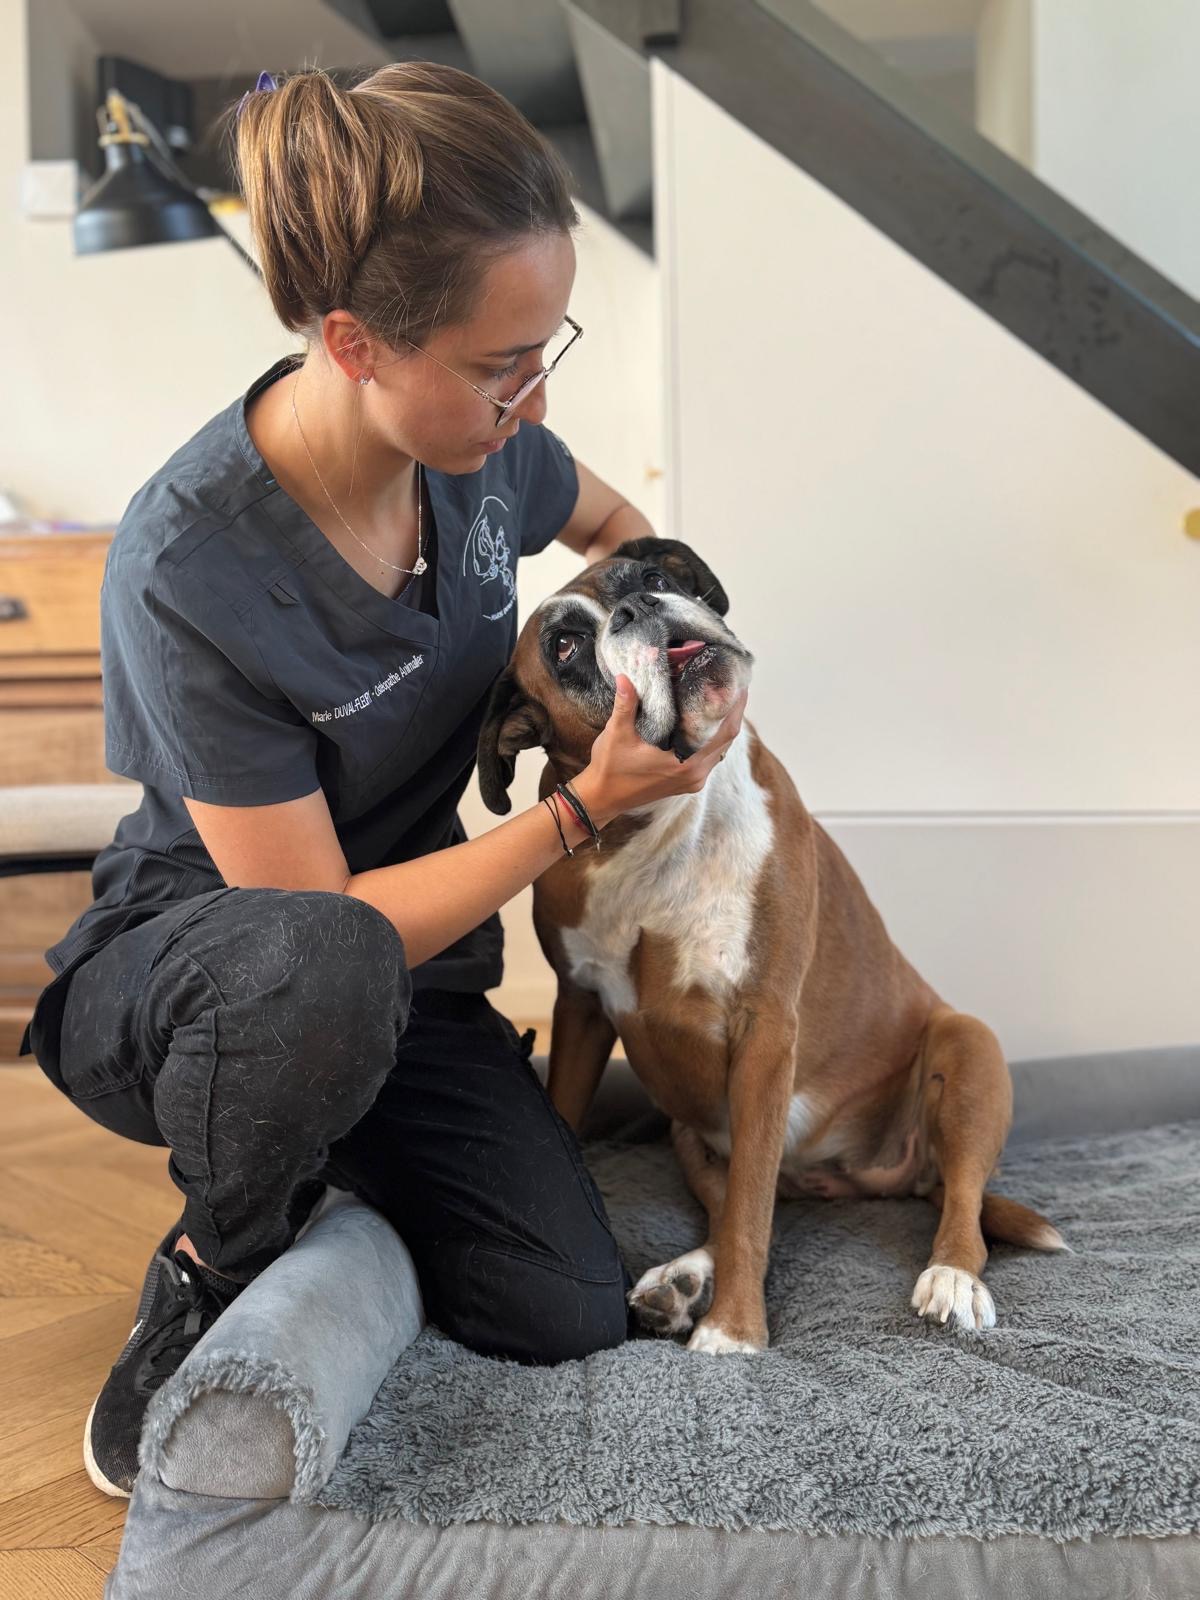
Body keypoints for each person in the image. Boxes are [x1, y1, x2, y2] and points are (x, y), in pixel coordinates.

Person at [18, 62, 746, 1499]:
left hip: (409, 981)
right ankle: (216, 1251)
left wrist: (646, 666)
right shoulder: (190, 563)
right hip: (205, 979)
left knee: (560, 1305)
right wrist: (581, 806)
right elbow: (327, 916)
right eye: (500, 363)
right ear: (354, 343)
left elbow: (618, 526)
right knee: (325, 968)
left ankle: (330, 1168)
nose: (534, 395)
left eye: (547, 347)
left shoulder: (486, 452)